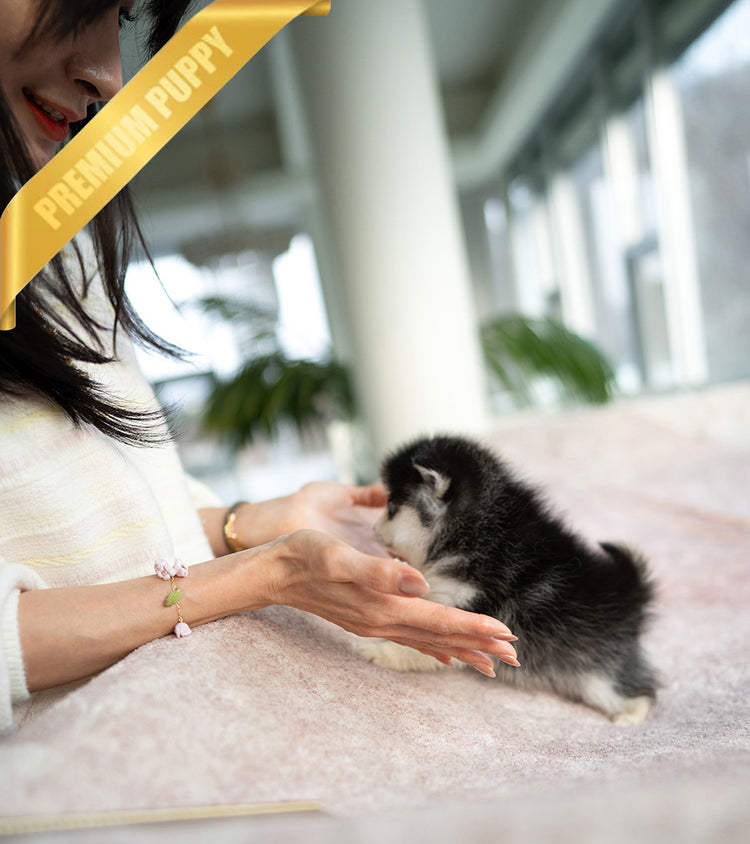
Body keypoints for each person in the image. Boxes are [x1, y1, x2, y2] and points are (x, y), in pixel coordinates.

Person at [0, 0, 518, 735]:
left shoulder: (57, 245)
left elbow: (115, 528)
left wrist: (248, 527)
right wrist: (266, 574)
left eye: (123, 13)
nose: (110, 74)